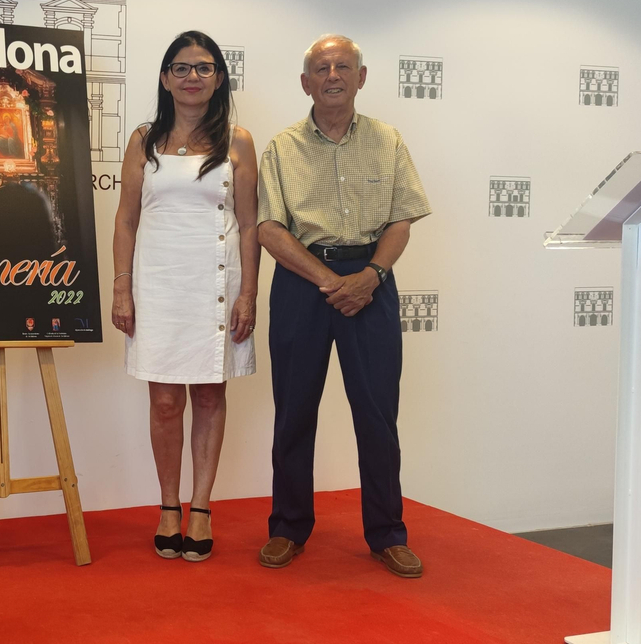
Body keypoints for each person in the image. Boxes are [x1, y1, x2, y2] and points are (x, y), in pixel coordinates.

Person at [254, 34, 432, 577]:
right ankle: (288, 528)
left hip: (372, 285)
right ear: (305, 82)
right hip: (301, 283)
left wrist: (371, 275)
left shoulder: (389, 140)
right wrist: (332, 281)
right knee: (294, 412)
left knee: (378, 416)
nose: (333, 75)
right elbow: (267, 227)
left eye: (343, 66)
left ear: (361, 77)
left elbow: (402, 219)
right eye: (321, 67)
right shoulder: (281, 147)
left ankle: (386, 534)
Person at [111, 31, 259, 563]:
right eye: (181, 67)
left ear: (219, 78)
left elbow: (248, 226)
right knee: (166, 400)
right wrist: (122, 287)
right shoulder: (144, 139)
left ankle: (201, 507)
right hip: (160, 284)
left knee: (211, 397)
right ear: (164, 78)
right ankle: (168, 505)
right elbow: (126, 219)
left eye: (203, 67)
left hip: (215, 286)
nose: (192, 76)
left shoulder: (238, 141)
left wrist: (248, 295)